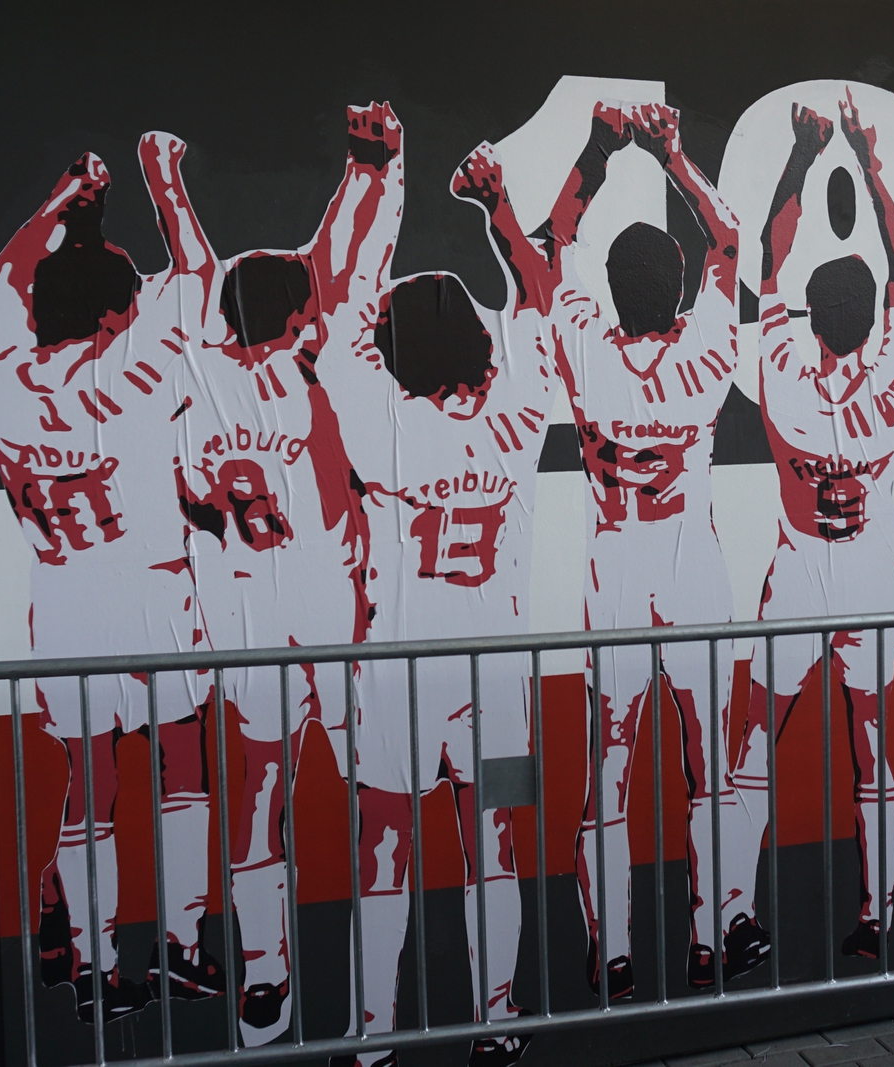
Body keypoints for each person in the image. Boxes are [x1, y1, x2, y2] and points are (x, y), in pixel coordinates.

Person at [316, 132, 557, 1065]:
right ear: (478, 343)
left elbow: (343, 304)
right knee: (496, 844)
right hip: (495, 676)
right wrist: (497, 207)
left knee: (383, 851)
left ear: (394, 352)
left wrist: (379, 174)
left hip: (397, 674)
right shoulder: (519, 415)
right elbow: (537, 297)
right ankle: (497, 1017)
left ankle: (372, 1039)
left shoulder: (382, 424)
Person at [0, 134, 221, 1022]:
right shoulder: (130, 374)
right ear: (118, 314)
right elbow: (197, 274)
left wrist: (62, 201)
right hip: (152, 589)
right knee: (181, 763)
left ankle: (90, 960)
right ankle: (177, 946)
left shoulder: (2, 380)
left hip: (67, 594)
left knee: (91, 786)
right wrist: (165, 181)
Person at [167, 102, 393, 1045]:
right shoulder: (312, 380)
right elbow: (338, 261)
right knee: (375, 795)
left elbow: (197, 267)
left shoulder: (195, 384)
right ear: (297, 322)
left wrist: (170, 188)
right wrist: (367, 171)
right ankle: (377, 1000)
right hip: (329, 609)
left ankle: (266, 976)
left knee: (258, 798)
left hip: (245, 614)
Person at [544, 99, 762, 998]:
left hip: (616, 574)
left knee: (610, 772)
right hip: (691, 568)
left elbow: (554, 239)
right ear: (679, 287)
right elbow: (729, 238)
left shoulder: (586, 352)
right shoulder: (705, 356)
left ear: (611, 290)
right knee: (714, 764)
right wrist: (675, 155)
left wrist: (598, 151)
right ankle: (719, 929)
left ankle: (616, 949)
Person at [733, 91, 894, 960]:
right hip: (871, 578)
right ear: (875, 320)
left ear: (809, 318)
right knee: (873, 754)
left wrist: (804, 156)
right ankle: (877, 916)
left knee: (752, 745)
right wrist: (871, 161)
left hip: (798, 570)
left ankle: (733, 913)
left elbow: (767, 257)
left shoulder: (782, 378)